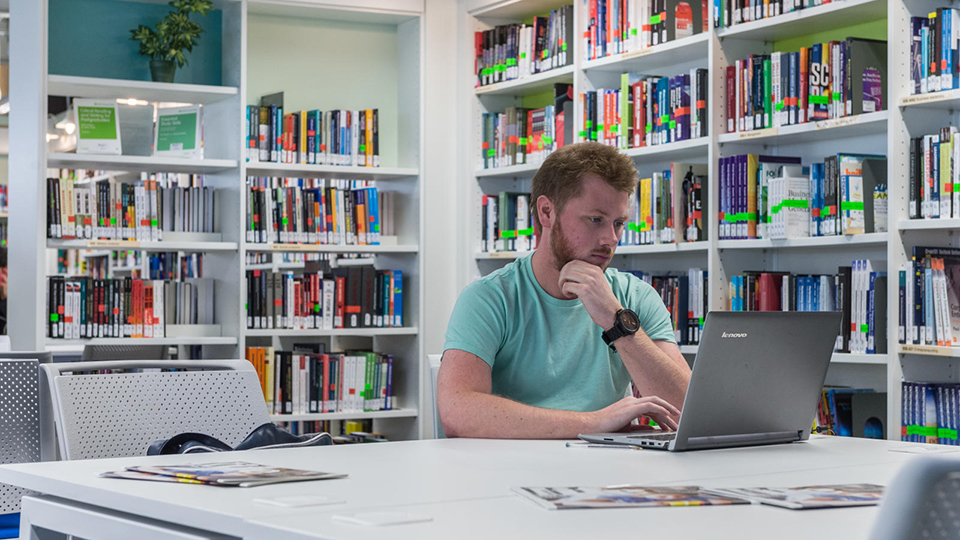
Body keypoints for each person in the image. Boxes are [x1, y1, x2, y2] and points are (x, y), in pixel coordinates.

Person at [438, 142, 692, 439]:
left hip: (610, 473)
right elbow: (457, 412)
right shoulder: (490, 298)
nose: (610, 239)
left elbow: (687, 408)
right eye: (595, 220)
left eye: (619, 223)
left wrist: (616, 321)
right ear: (547, 212)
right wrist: (594, 423)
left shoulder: (635, 297)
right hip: (511, 471)